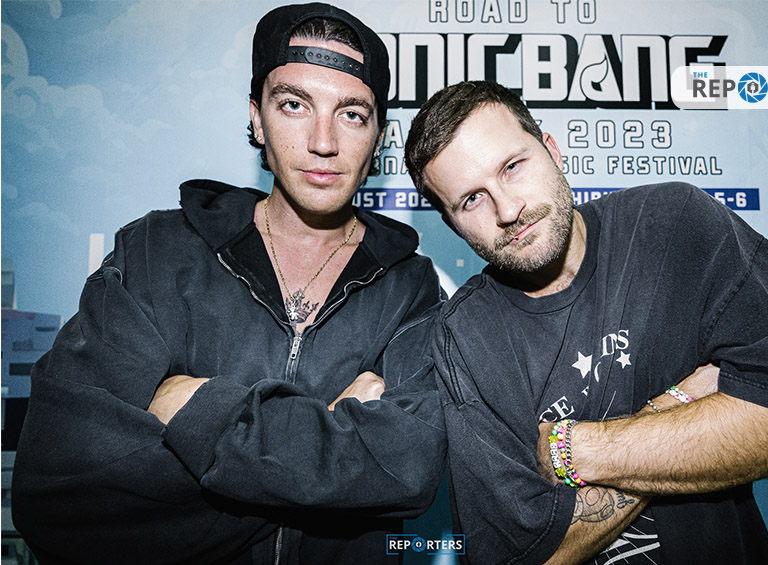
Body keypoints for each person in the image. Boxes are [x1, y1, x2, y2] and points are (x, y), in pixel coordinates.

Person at [12, 4, 446, 564]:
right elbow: (61, 494)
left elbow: (406, 469)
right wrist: (325, 457)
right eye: (294, 105)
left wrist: (196, 413)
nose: (323, 141)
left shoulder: (410, 287)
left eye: (352, 114)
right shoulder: (156, 253)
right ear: (257, 118)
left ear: (377, 137)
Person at [404, 80, 768, 564]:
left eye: (513, 167)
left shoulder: (675, 225)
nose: (508, 210)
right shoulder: (464, 335)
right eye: (472, 199)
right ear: (452, 224)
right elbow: (522, 556)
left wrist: (573, 449)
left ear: (552, 150)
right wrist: (683, 403)